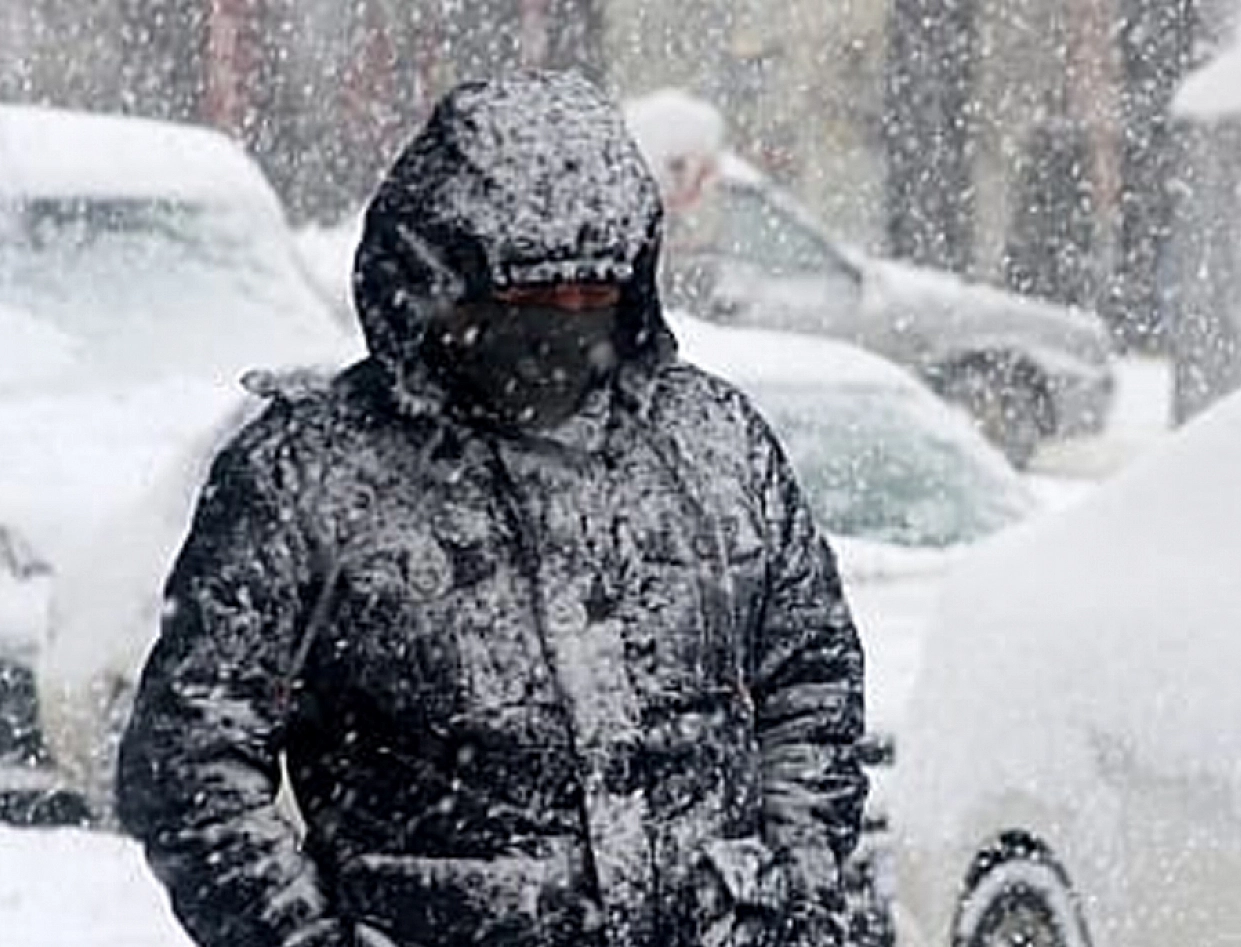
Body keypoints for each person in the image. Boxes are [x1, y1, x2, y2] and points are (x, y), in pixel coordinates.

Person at [115, 71, 867, 947]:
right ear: (435, 282)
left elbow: (811, 680)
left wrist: (793, 886)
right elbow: (192, 758)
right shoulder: (311, 475)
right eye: (529, 305)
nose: (565, 331)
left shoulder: (715, 445)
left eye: (594, 300)